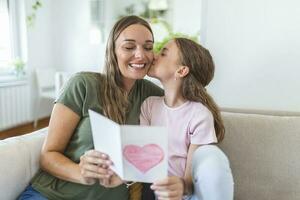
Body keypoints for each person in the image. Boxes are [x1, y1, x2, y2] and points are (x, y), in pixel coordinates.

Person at [18, 15, 163, 200]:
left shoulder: (153, 95)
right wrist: (80, 172)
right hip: (53, 195)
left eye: (148, 47)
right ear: (112, 51)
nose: (141, 55)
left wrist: (163, 72)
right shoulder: (83, 85)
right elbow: (48, 156)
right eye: (129, 47)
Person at [140, 38, 234, 200]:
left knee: (212, 156)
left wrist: (180, 188)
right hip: (155, 190)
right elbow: (144, 158)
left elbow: (190, 180)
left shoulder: (199, 115)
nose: (154, 56)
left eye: (163, 53)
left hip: (185, 194)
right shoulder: (149, 106)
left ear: (181, 71)